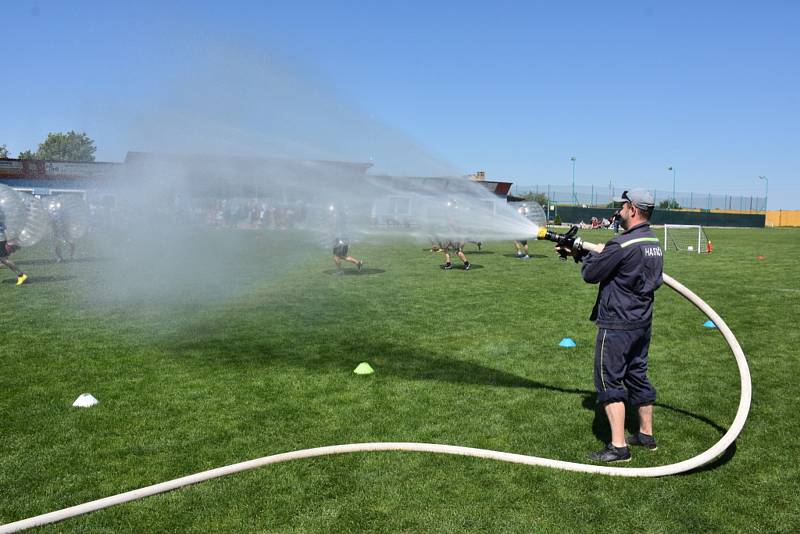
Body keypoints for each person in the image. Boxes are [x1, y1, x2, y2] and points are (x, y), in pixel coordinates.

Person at [556, 188, 663, 463]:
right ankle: (645, 435)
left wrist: (580, 255)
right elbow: (620, 269)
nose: (619, 211)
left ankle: (618, 447)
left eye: (622, 206)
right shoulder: (652, 241)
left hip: (617, 322)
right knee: (637, 374)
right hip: (641, 321)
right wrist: (584, 252)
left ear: (633, 209)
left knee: (609, 379)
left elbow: (592, 274)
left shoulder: (621, 244)